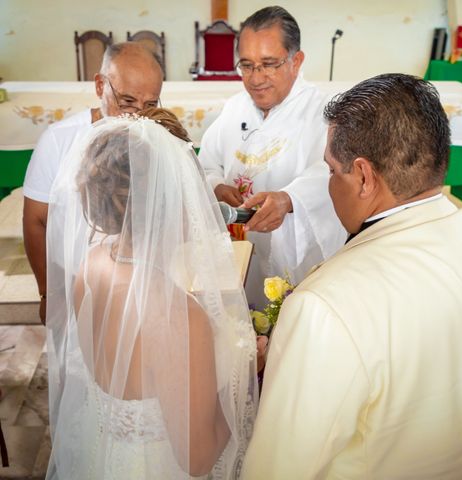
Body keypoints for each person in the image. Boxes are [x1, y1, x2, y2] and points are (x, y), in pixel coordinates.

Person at [241, 74, 462, 479]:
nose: (329, 184)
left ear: (363, 176)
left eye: (331, 170)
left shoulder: (324, 303)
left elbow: (280, 467)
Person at [45, 109, 258, 479]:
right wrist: (240, 384)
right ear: (168, 199)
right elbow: (198, 458)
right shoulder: (176, 316)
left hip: (102, 456)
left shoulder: (91, 266)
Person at [198, 6, 346, 307]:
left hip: (292, 251)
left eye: (268, 64)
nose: (256, 78)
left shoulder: (324, 112)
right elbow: (207, 160)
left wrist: (289, 199)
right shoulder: (236, 107)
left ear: (296, 61)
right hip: (240, 246)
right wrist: (215, 184)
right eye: (247, 65)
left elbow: (334, 172)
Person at [23, 42, 164, 323]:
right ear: (101, 86)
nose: (137, 115)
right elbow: (36, 220)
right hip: (77, 292)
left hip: (143, 292)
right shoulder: (59, 140)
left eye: (149, 105)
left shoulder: (158, 140)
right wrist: (47, 292)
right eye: (127, 101)